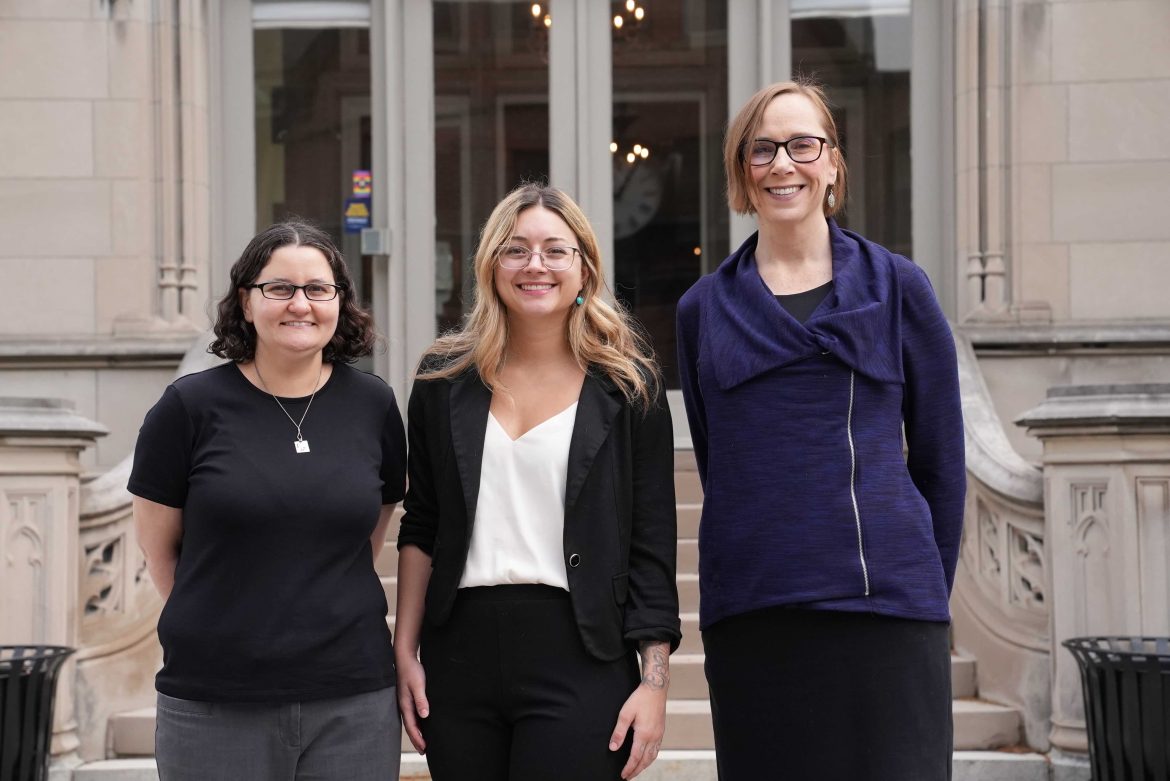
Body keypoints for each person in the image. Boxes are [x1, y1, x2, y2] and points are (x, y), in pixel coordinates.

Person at [675, 80, 966, 780]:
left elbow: (942, 461)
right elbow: (724, 460)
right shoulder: (702, 308)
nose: (784, 164)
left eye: (803, 145)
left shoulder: (899, 287)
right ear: (742, 170)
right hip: (756, 613)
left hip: (887, 612)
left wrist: (921, 580)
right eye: (763, 149)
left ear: (833, 163)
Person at [395, 183, 680, 781]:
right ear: (491, 263)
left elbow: (651, 544)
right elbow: (421, 524)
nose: (535, 266)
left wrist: (654, 683)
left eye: (556, 250)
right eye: (516, 249)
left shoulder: (629, 387)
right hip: (459, 652)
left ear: (584, 267)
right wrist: (405, 652)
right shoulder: (442, 379)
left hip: (580, 652)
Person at [128, 221, 406, 780]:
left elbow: (368, 536)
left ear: (339, 303)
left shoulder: (372, 403)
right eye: (278, 288)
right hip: (216, 701)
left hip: (352, 699)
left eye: (317, 289)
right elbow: (161, 553)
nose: (299, 304)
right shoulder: (189, 407)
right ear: (245, 302)